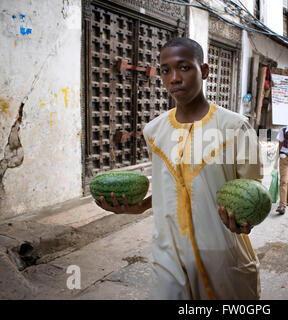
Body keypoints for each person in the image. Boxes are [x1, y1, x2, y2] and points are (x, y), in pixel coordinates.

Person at [95, 37, 264, 300]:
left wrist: (246, 220)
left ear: (204, 71)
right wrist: (140, 206)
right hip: (168, 257)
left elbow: (253, 193)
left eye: (184, 67)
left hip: (222, 256)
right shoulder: (154, 131)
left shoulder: (236, 128)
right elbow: (173, 187)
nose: (174, 78)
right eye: (165, 70)